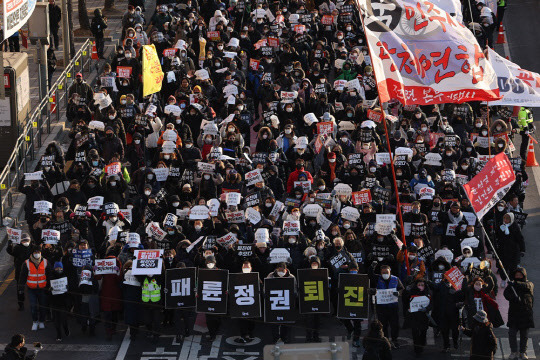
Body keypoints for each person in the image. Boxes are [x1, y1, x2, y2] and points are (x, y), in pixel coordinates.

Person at [504, 267, 534, 360]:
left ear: (524, 275)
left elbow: (527, 286)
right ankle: (513, 352)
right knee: (512, 334)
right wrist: (513, 298)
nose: (518, 276)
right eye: (517, 275)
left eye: (520, 275)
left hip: (526, 314)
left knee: (524, 335)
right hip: (514, 314)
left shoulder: (529, 284)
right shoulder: (511, 286)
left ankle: (523, 352)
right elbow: (506, 294)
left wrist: (515, 283)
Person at [18, 245, 50, 331]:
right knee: (33, 307)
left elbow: (49, 275)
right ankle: (35, 322)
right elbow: (22, 277)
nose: (37, 254)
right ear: (32, 253)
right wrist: (20, 289)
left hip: (42, 289)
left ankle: (42, 321)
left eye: (38, 252)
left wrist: (50, 286)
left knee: (43, 306)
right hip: (31, 289)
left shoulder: (46, 262)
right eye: (35, 252)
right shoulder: (26, 263)